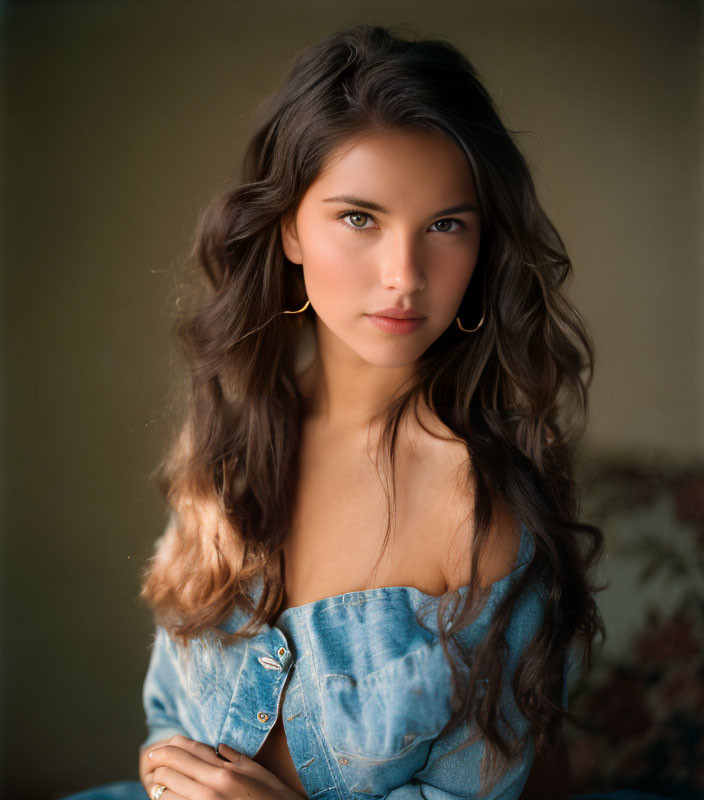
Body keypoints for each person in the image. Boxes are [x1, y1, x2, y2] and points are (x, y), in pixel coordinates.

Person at [66, 23, 662, 800]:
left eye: (446, 226)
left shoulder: (478, 511)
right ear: (289, 228)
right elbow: (170, 722)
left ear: (483, 248)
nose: (404, 276)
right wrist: (164, 764)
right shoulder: (231, 442)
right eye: (359, 218)